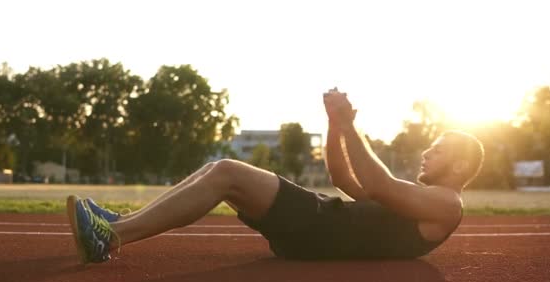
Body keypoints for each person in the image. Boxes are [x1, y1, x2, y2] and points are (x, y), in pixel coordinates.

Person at [67, 88, 484, 264]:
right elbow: (344, 175)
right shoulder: (417, 200)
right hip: (316, 227)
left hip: (318, 228)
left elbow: (377, 184)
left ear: (462, 167)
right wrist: (335, 126)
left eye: (440, 150)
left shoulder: (447, 204)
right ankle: (119, 223)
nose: (429, 151)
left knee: (228, 172)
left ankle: (112, 236)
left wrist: (349, 125)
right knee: (218, 171)